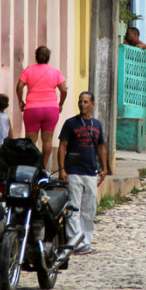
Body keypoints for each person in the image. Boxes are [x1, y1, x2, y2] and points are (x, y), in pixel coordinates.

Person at [57, 92, 108, 255]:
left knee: (89, 208)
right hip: (73, 172)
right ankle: (75, 242)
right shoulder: (70, 123)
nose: (82, 104)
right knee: (74, 208)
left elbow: (101, 148)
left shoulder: (97, 124)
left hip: (91, 172)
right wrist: (62, 168)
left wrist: (105, 169)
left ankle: (86, 241)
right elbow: (62, 146)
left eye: (85, 102)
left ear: (92, 104)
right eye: (80, 102)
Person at [17, 46, 67, 168]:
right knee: (47, 140)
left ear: (36, 57)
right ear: (48, 58)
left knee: (30, 140)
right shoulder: (55, 72)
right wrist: (60, 104)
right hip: (51, 109)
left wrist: (20, 101)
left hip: (32, 109)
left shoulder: (28, 71)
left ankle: (31, 166)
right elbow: (64, 90)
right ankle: (43, 167)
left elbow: (19, 86)